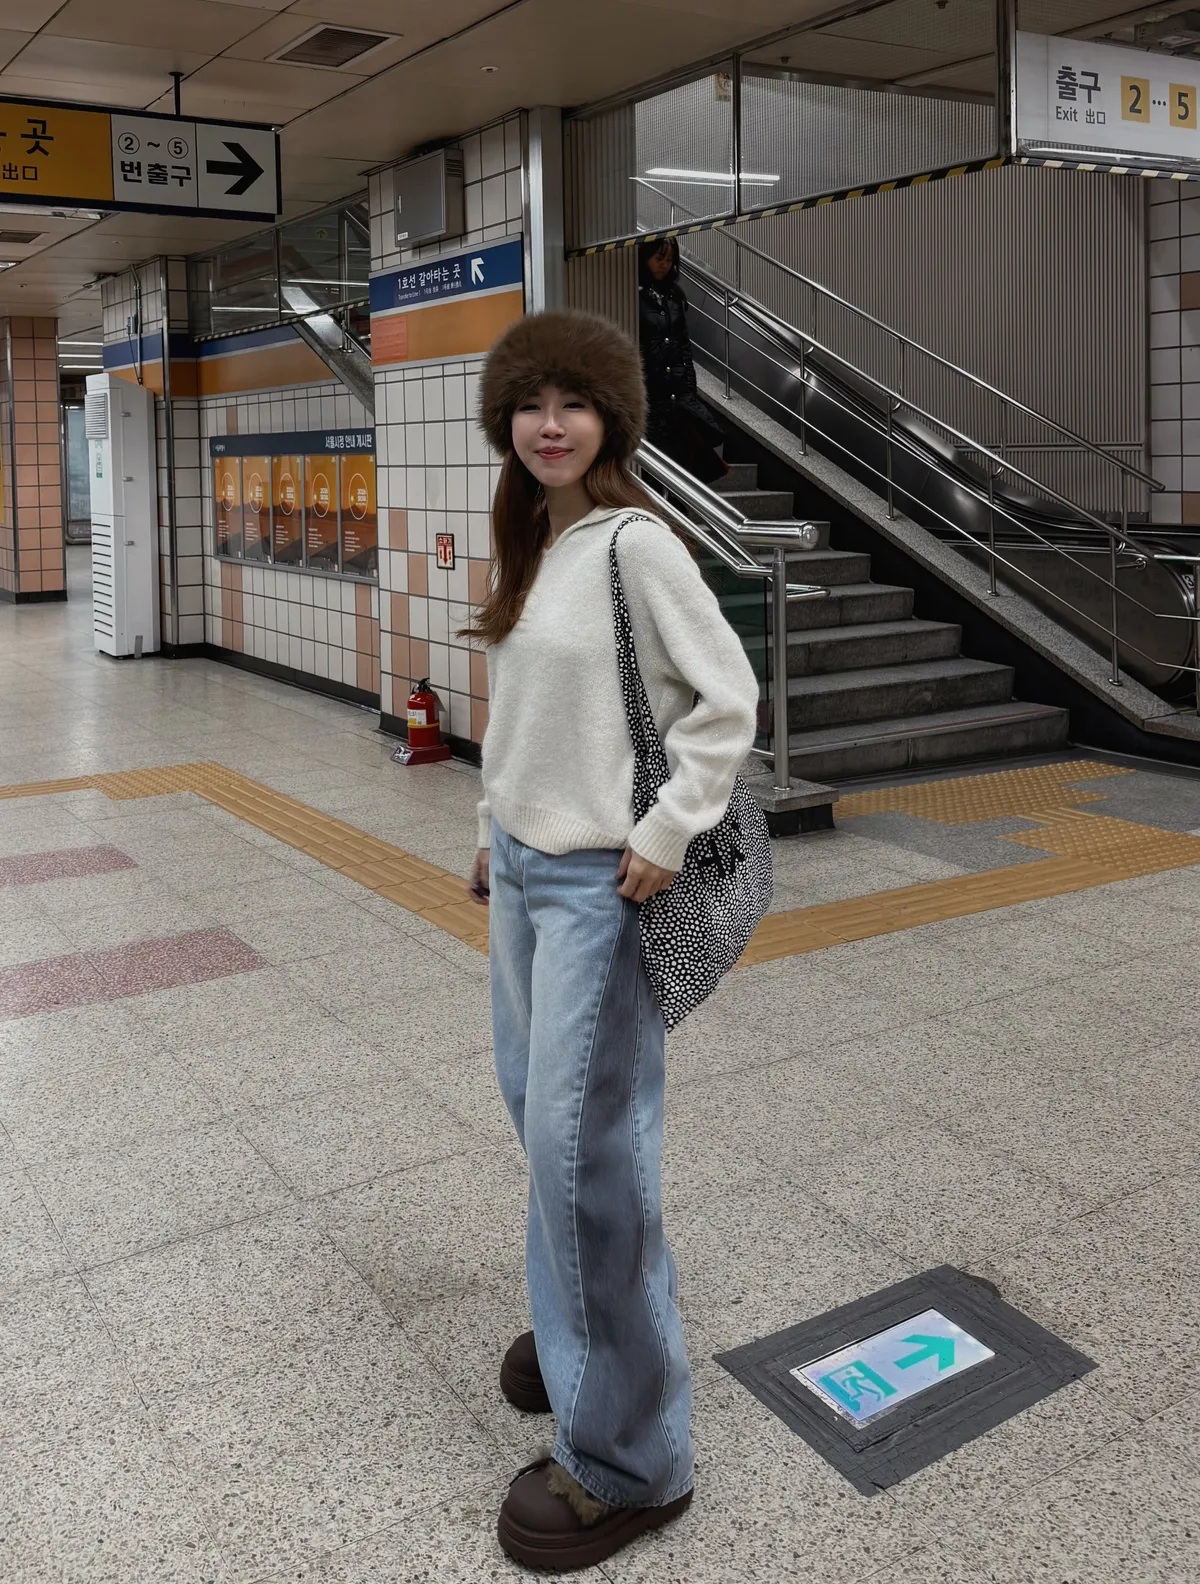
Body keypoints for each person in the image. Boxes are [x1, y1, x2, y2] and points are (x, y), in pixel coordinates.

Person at [464, 309, 759, 1571]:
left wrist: (670, 827)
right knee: (542, 1122)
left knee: (586, 1152)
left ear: (611, 421)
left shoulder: (638, 542)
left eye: (574, 403)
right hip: (528, 872)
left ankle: (633, 1461)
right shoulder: (539, 540)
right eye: (531, 404)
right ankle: (575, 1334)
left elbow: (726, 699)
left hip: (607, 883)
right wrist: (492, 830)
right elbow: (522, 713)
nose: (551, 425)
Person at [638, 236, 727, 483]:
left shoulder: (674, 295)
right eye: (659, 258)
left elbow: (683, 345)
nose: (664, 264)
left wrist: (689, 388)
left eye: (670, 259)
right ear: (645, 256)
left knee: (682, 471)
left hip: (677, 400)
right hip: (649, 398)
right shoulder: (632, 294)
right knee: (655, 473)